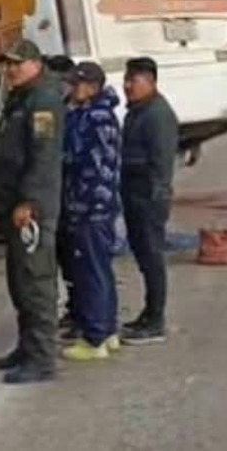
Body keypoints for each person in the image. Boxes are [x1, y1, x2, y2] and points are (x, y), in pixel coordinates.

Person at [0, 39, 67, 384]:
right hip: (13, 206)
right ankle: (26, 347)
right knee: (19, 281)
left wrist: (29, 202)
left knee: (36, 282)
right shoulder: (19, 98)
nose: (9, 70)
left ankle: (41, 358)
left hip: (31, 210)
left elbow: (44, 156)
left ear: (35, 63)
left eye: (16, 64)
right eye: (6, 65)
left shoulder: (43, 101)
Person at [59, 61, 123, 361]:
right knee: (101, 269)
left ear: (92, 87)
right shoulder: (103, 115)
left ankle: (94, 336)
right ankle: (108, 330)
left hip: (89, 205)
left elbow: (72, 155)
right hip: (100, 204)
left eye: (76, 84)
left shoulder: (91, 118)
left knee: (91, 272)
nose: (71, 89)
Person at [119, 56, 179, 345]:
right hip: (134, 193)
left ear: (151, 81)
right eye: (127, 79)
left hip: (148, 197)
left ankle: (156, 320)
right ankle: (148, 313)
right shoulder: (137, 111)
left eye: (135, 80)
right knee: (143, 256)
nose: (128, 86)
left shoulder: (157, 114)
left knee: (152, 256)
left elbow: (161, 162)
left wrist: (154, 198)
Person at [44, 54, 78, 334]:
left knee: (75, 260)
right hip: (59, 196)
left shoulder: (74, 112)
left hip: (70, 198)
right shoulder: (56, 108)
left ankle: (80, 315)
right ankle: (72, 311)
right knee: (63, 259)